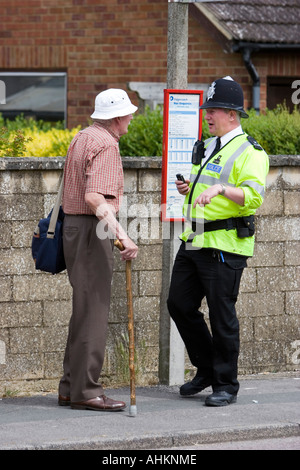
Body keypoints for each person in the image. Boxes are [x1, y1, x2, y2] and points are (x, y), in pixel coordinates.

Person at [167, 77, 269, 406]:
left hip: (225, 243)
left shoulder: (251, 152)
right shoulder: (209, 145)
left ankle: (226, 384)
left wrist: (222, 189)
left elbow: (253, 198)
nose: (207, 115)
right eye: (206, 110)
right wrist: (191, 190)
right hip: (195, 237)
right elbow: (205, 186)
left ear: (232, 114)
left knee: (222, 314)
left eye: (213, 110)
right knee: (179, 304)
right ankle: (208, 369)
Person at [58, 89, 138, 411]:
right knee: (93, 312)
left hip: (75, 228)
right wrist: (122, 236)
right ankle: (87, 391)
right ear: (117, 117)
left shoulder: (82, 137)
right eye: (129, 113)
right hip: (93, 230)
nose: (131, 118)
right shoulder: (106, 144)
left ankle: (70, 388)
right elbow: (95, 198)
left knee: (83, 311)